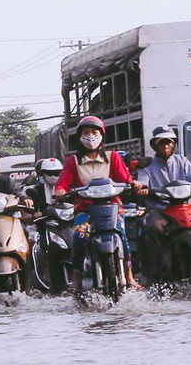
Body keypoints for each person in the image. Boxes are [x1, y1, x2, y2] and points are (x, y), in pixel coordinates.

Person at [54, 116, 142, 290]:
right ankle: (77, 275)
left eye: (94, 132)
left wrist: (133, 184)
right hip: (85, 209)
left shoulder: (113, 157)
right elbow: (63, 183)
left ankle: (129, 275)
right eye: (86, 133)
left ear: (101, 135)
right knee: (79, 237)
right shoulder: (73, 161)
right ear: (79, 137)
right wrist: (60, 191)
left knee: (123, 236)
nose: (90, 136)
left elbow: (125, 178)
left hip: (113, 207)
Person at [136, 126, 191, 281]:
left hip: (185, 208)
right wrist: (143, 189)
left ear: (174, 144)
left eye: (169, 142)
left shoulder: (182, 161)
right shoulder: (147, 167)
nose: (166, 146)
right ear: (154, 146)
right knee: (153, 228)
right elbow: (142, 183)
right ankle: (157, 272)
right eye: (161, 143)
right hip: (161, 211)